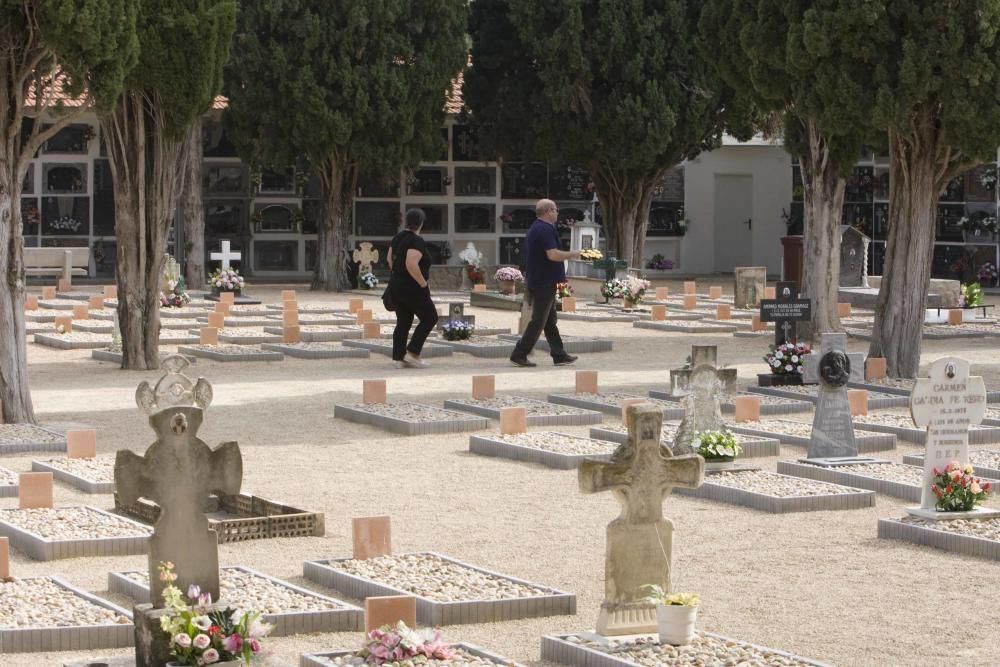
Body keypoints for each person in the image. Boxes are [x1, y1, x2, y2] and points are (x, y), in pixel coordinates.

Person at [510, 199, 581, 367]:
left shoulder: (539, 227)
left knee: (549, 321)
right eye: (556, 210)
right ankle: (519, 353)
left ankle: (559, 354)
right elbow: (553, 255)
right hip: (543, 281)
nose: (557, 213)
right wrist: (572, 254)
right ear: (548, 211)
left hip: (544, 279)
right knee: (539, 320)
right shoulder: (543, 229)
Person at [388, 208, 438, 368]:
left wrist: (398, 276)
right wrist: (423, 283)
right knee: (430, 317)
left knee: (403, 320)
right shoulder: (417, 241)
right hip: (413, 287)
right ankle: (413, 353)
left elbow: (390, 259)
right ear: (421, 223)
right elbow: (411, 263)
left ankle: (398, 358)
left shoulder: (397, 237)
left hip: (396, 285)